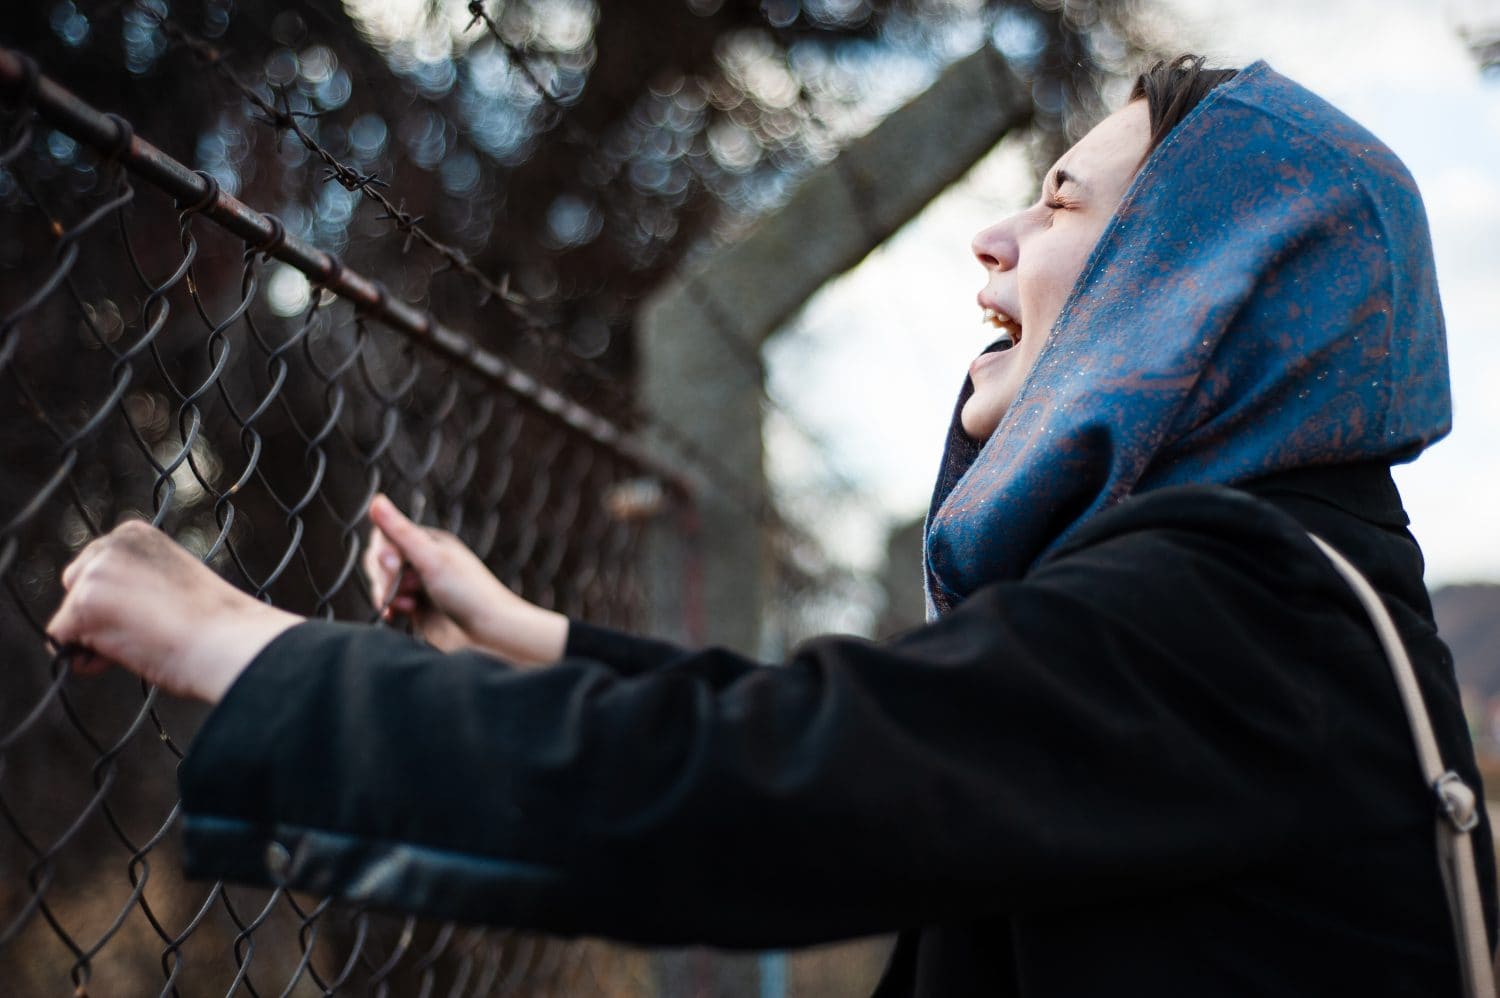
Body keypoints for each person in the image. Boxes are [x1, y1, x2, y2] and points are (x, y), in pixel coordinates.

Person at [45, 55, 1497, 995]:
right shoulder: (1273, 597)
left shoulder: (1235, 611)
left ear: (1204, 282)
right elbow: (857, 736)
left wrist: (252, 650)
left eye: (1061, 204)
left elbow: (772, 785)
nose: (994, 237)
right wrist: (538, 639)